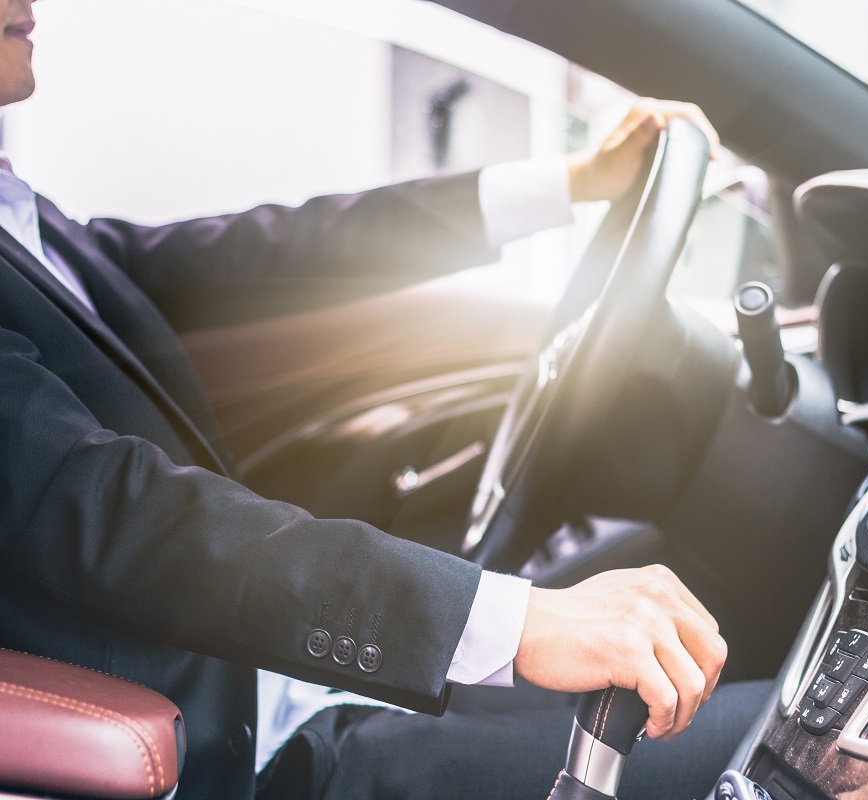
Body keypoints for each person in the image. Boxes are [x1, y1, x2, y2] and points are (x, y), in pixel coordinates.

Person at [0, 1, 770, 798]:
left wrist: (566, 185)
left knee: (768, 710)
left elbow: (243, 257)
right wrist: (521, 623)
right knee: (811, 762)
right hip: (243, 756)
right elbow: (114, 510)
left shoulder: (14, 213)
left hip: (280, 679)